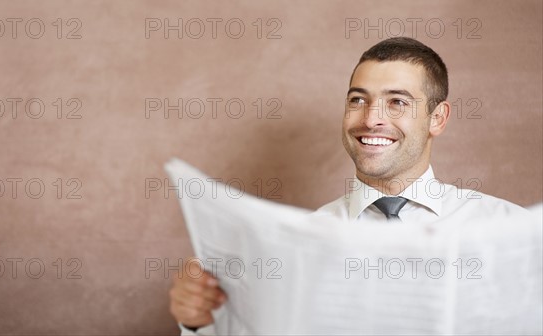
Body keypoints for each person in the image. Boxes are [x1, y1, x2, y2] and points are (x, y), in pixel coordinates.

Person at [168, 37, 528, 334]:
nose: (372, 119)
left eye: (397, 102)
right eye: (358, 100)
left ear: (437, 118)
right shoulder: (299, 244)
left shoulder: (509, 232)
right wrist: (197, 323)